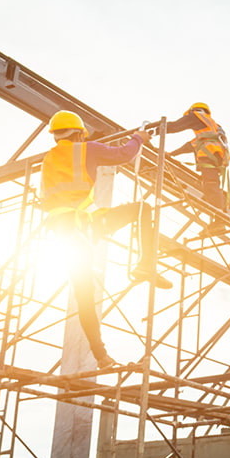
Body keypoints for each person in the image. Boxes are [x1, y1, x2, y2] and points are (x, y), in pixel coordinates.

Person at [41, 110, 172, 368]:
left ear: (56, 136)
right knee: (142, 210)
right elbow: (123, 155)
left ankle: (101, 357)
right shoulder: (85, 149)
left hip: (65, 231)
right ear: (79, 133)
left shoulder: (49, 159)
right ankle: (145, 264)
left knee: (84, 295)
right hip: (85, 224)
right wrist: (139, 138)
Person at [164, 102, 230, 234]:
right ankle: (217, 218)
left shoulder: (197, 116)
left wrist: (153, 129)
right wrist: (171, 154)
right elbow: (190, 145)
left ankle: (220, 221)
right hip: (216, 158)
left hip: (210, 156)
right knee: (210, 186)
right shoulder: (212, 128)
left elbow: (175, 126)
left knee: (211, 185)